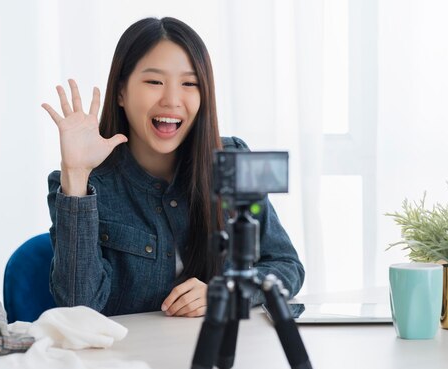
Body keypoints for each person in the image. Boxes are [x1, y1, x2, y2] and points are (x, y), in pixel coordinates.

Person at [42, 17, 304, 318]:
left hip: (218, 353)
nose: (172, 100)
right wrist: (75, 173)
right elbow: (78, 308)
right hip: (124, 361)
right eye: (154, 82)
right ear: (121, 93)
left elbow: (286, 266)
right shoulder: (85, 182)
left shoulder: (231, 160)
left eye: (189, 84)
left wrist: (228, 293)